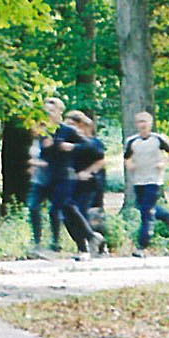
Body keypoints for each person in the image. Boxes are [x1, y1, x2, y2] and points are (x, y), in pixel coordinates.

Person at [42, 107, 104, 257]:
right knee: (67, 213)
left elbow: (97, 154)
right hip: (62, 179)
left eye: (73, 124)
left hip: (81, 182)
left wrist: (73, 149)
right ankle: (85, 245)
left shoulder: (78, 136)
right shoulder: (51, 134)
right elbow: (47, 154)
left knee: (69, 211)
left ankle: (83, 243)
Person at [124, 112, 169, 254]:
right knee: (143, 207)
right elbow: (127, 158)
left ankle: (142, 246)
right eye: (139, 122)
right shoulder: (132, 141)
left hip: (154, 180)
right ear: (136, 125)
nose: (142, 124)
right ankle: (168, 217)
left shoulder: (158, 139)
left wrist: (163, 163)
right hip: (138, 181)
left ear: (150, 123)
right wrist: (130, 165)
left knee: (146, 213)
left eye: (145, 121)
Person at [27, 100, 63, 253]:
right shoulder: (39, 131)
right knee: (33, 206)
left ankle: (56, 241)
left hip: (56, 178)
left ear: (59, 111)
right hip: (38, 179)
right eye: (46, 111)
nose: (48, 114)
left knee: (54, 210)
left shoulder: (62, 131)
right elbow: (34, 153)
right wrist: (33, 163)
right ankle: (37, 241)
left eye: (51, 110)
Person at [71, 112, 108, 238]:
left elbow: (101, 161)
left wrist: (87, 172)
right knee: (77, 213)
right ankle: (86, 241)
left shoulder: (94, 143)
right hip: (76, 184)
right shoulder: (74, 144)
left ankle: (98, 241)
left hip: (92, 184)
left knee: (91, 214)